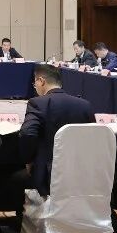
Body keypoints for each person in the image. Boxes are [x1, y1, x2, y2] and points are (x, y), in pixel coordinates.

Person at [14, 64, 96, 201]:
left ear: (41, 81)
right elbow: (93, 137)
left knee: (12, 179)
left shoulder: (37, 103)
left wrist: (28, 160)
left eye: (35, 84)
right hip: (80, 173)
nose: (35, 87)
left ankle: (21, 214)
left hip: (48, 175)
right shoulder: (85, 105)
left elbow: (27, 133)